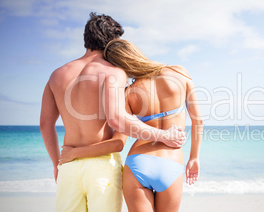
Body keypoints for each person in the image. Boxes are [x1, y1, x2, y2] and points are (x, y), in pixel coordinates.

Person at [40, 13, 186, 212]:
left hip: (69, 165)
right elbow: (117, 120)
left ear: (86, 39)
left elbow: (45, 125)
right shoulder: (114, 73)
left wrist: (57, 163)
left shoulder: (57, 75)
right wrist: (163, 135)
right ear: (112, 42)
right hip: (102, 165)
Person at [60, 38, 203, 212]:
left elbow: (118, 142)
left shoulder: (128, 93)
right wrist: (194, 158)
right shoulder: (179, 72)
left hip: (137, 164)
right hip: (171, 162)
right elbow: (198, 120)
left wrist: (74, 153)